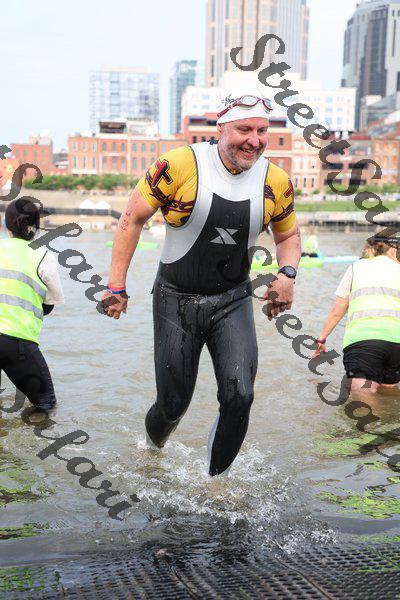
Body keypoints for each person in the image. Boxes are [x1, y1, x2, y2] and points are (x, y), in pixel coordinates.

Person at [102, 92, 301, 475]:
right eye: (244, 129)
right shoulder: (179, 165)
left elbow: (289, 236)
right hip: (176, 299)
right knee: (173, 403)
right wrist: (116, 286)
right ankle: (151, 451)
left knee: (240, 396)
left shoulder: (276, 181)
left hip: (233, 301)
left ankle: (216, 485)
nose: (254, 140)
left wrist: (287, 274)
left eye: (262, 131)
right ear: (221, 127)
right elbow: (132, 218)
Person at [312, 232, 400, 395]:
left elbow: (337, 311)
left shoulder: (356, 267)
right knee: (389, 396)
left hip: (364, 341)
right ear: (392, 250)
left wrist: (321, 338)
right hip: (397, 343)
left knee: (364, 396)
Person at [0, 199, 64, 410]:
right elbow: (50, 303)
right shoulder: (44, 256)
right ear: (36, 226)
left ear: (6, 223)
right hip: (16, 342)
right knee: (46, 403)